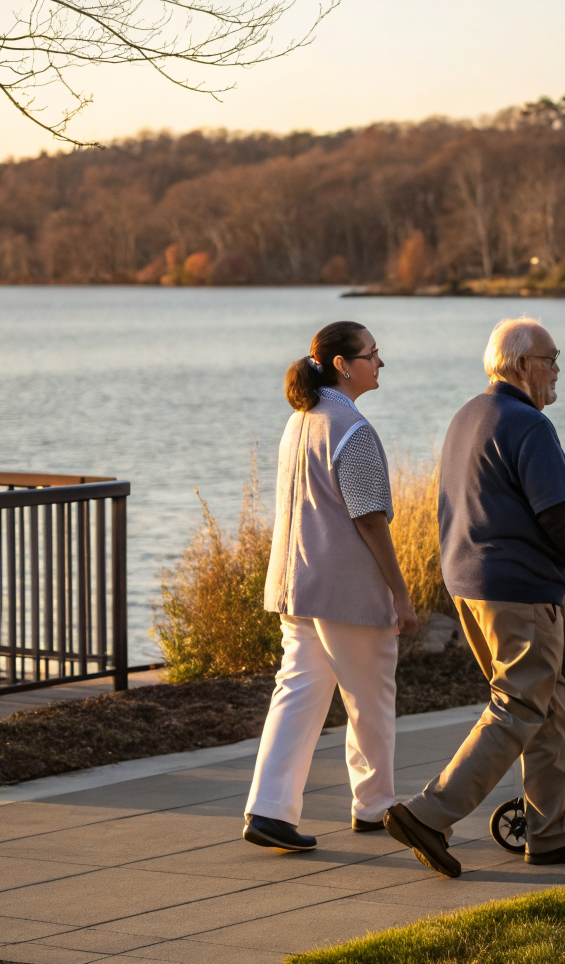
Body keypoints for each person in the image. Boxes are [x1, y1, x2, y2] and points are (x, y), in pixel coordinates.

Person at [383, 317, 565, 878]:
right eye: (551, 360)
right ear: (523, 365)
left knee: (547, 704)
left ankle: (554, 830)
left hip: (469, 585)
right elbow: (558, 519)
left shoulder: (468, 415)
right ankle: (428, 814)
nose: (557, 371)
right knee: (520, 704)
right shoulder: (529, 425)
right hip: (518, 590)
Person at [243, 321, 420, 852]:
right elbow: (370, 520)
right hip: (346, 592)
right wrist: (401, 592)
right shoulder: (351, 428)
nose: (380, 362)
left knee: (297, 693)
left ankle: (268, 810)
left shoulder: (299, 421)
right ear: (343, 365)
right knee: (370, 698)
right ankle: (374, 806)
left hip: (297, 584)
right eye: (372, 353)